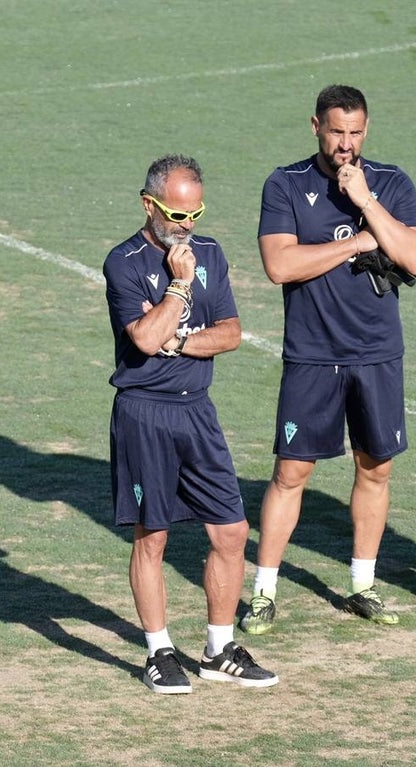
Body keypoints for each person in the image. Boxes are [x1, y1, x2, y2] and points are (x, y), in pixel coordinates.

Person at [240, 84, 416, 634]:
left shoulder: (391, 183)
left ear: (365, 130)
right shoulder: (286, 183)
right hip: (313, 355)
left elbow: (415, 257)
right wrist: (356, 243)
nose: (345, 144)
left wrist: (367, 201)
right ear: (316, 127)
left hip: (376, 353)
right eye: (336, 131)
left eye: (355, 133)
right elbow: (280, 265)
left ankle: (362, 583)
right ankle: (264, 590)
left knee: (377, 468)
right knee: (291, 471)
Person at [104, 154, 278, 694]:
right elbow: (143, 341)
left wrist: (180, 341)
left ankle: (218, 647)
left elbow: (230, 333)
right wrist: (179, 289)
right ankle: (158, 652)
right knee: (152, 535)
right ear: (148, 205)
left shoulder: (212, 253)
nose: (186, 225)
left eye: (194, 213)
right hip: (144, 414)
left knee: (231, 531)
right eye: (176, 214)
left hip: (198, 412)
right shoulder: (124, 263)